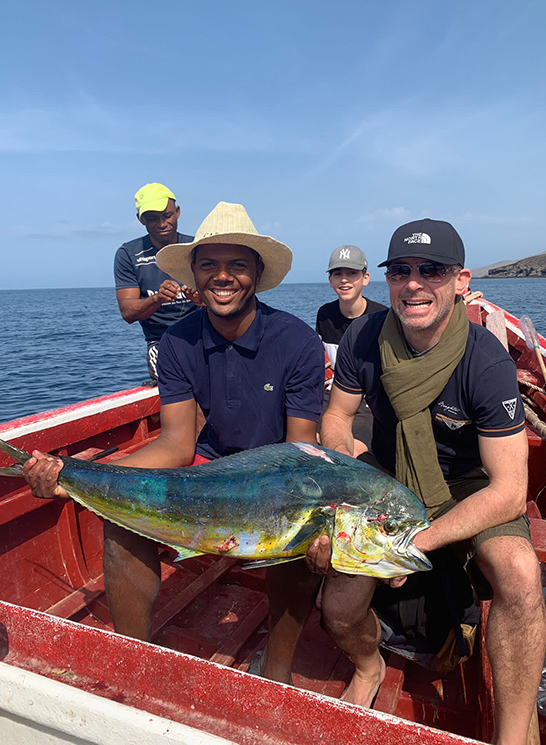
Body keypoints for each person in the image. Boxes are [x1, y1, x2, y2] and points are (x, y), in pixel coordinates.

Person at [23, 201, 325, 685]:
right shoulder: (178, 340)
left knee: (302, 539)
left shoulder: (297, 342)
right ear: (194, 273)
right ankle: (135, 663)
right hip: (206, 467)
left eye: (237, 265)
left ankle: (278, 666)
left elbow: (300, 451)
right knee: (122, 521)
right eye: (209, 265)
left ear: (257, 273)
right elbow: (177, 443)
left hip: (275, 472)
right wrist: (84, 479)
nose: (223, 277)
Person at [309, 219, 546, 745]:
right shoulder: (362, 337)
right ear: (388, 280)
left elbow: (508, 490)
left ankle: (511, 734)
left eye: (432, 271)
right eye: (401, 271)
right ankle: (368, 667)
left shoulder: (485, 360)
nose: (414, 283)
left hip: (467, 484)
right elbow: (337, 419)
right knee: (339, 607)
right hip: (386, 479)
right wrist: (341, 492)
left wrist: (412, 544)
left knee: (521, 575)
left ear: (461, 281)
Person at [114, 182, 197, 382]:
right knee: (178, 383)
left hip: (207, 334)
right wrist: (158, 299)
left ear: (177, 212)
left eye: (167, 215)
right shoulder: (128, 254)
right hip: (162, 343)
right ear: (141, 220)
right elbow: (128, 313)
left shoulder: (197, 247)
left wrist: (202, 298)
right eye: (152, 218)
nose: (161, 224)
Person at [316, 245, 386, 454]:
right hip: (335, 393)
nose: (344, 280)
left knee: (353, 450)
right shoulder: (325, 315)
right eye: (338, 274)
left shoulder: (381, 318)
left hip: (369, 399)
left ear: (365, 278)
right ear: (330, 280)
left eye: (352, 273)